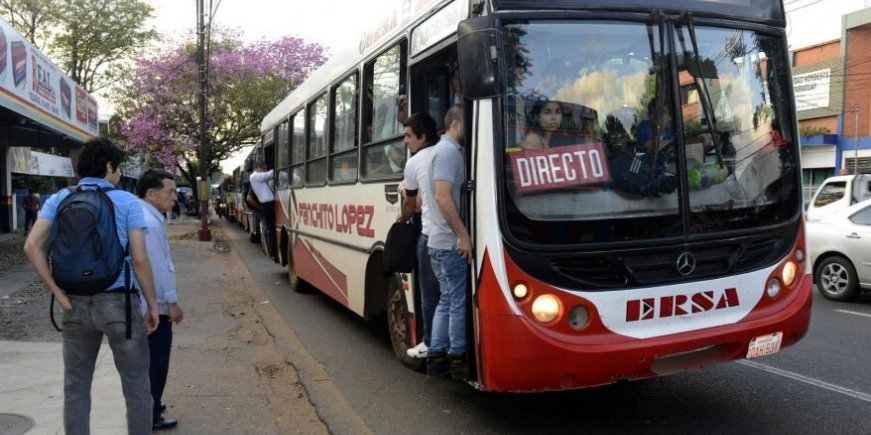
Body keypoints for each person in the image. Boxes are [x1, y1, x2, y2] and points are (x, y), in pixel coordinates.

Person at [23, 137, 159, 435]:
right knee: (136, 385)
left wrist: (57, 292)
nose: (120, 174)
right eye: (118, 167)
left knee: (76, 385)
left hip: (74, 303)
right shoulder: (126, 201)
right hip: (118, 305)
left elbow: (32, 246)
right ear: (109, 166)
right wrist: (152, 304)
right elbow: (139, 258)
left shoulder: (59, 199)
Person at [136, 168, 184, 431]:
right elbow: (156, 268)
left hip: (144, 304)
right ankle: (152, 412)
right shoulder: (150, 223)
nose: (175, 197)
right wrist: (170, 303)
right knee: (156, 361)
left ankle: (151, 404)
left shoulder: (141, 214)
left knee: (148, 360)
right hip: (153, 308)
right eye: (170, 192)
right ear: (151, 194)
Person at [426, 105, 471, 379]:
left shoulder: (443, 151)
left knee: (446, 300)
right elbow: (443, 197)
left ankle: (436, 355)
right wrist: (463, 235)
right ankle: (457, 356)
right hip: (448, 243)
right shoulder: (447, 153)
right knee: (456, 300)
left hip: (439, 241)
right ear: (456, 124)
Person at [396, 112, 440, 359]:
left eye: (408, 136)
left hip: (428, 231)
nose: (406, 141)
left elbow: (412, 204)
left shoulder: (414, 163)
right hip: (455, 232)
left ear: (422, 137)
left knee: (428, 293)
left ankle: (430, 343)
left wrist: (401, 219)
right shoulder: (448, 153)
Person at [249, 161, 277, 260]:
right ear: (259, 168)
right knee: (270, 229)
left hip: (269, 204)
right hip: (267, 205)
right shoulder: (255, 176)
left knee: (272, 228)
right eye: (264, 168)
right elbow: (269, 174)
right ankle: (272, 251)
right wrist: (278, 167)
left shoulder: (259, 178)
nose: (265, 170)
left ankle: (273, 250)